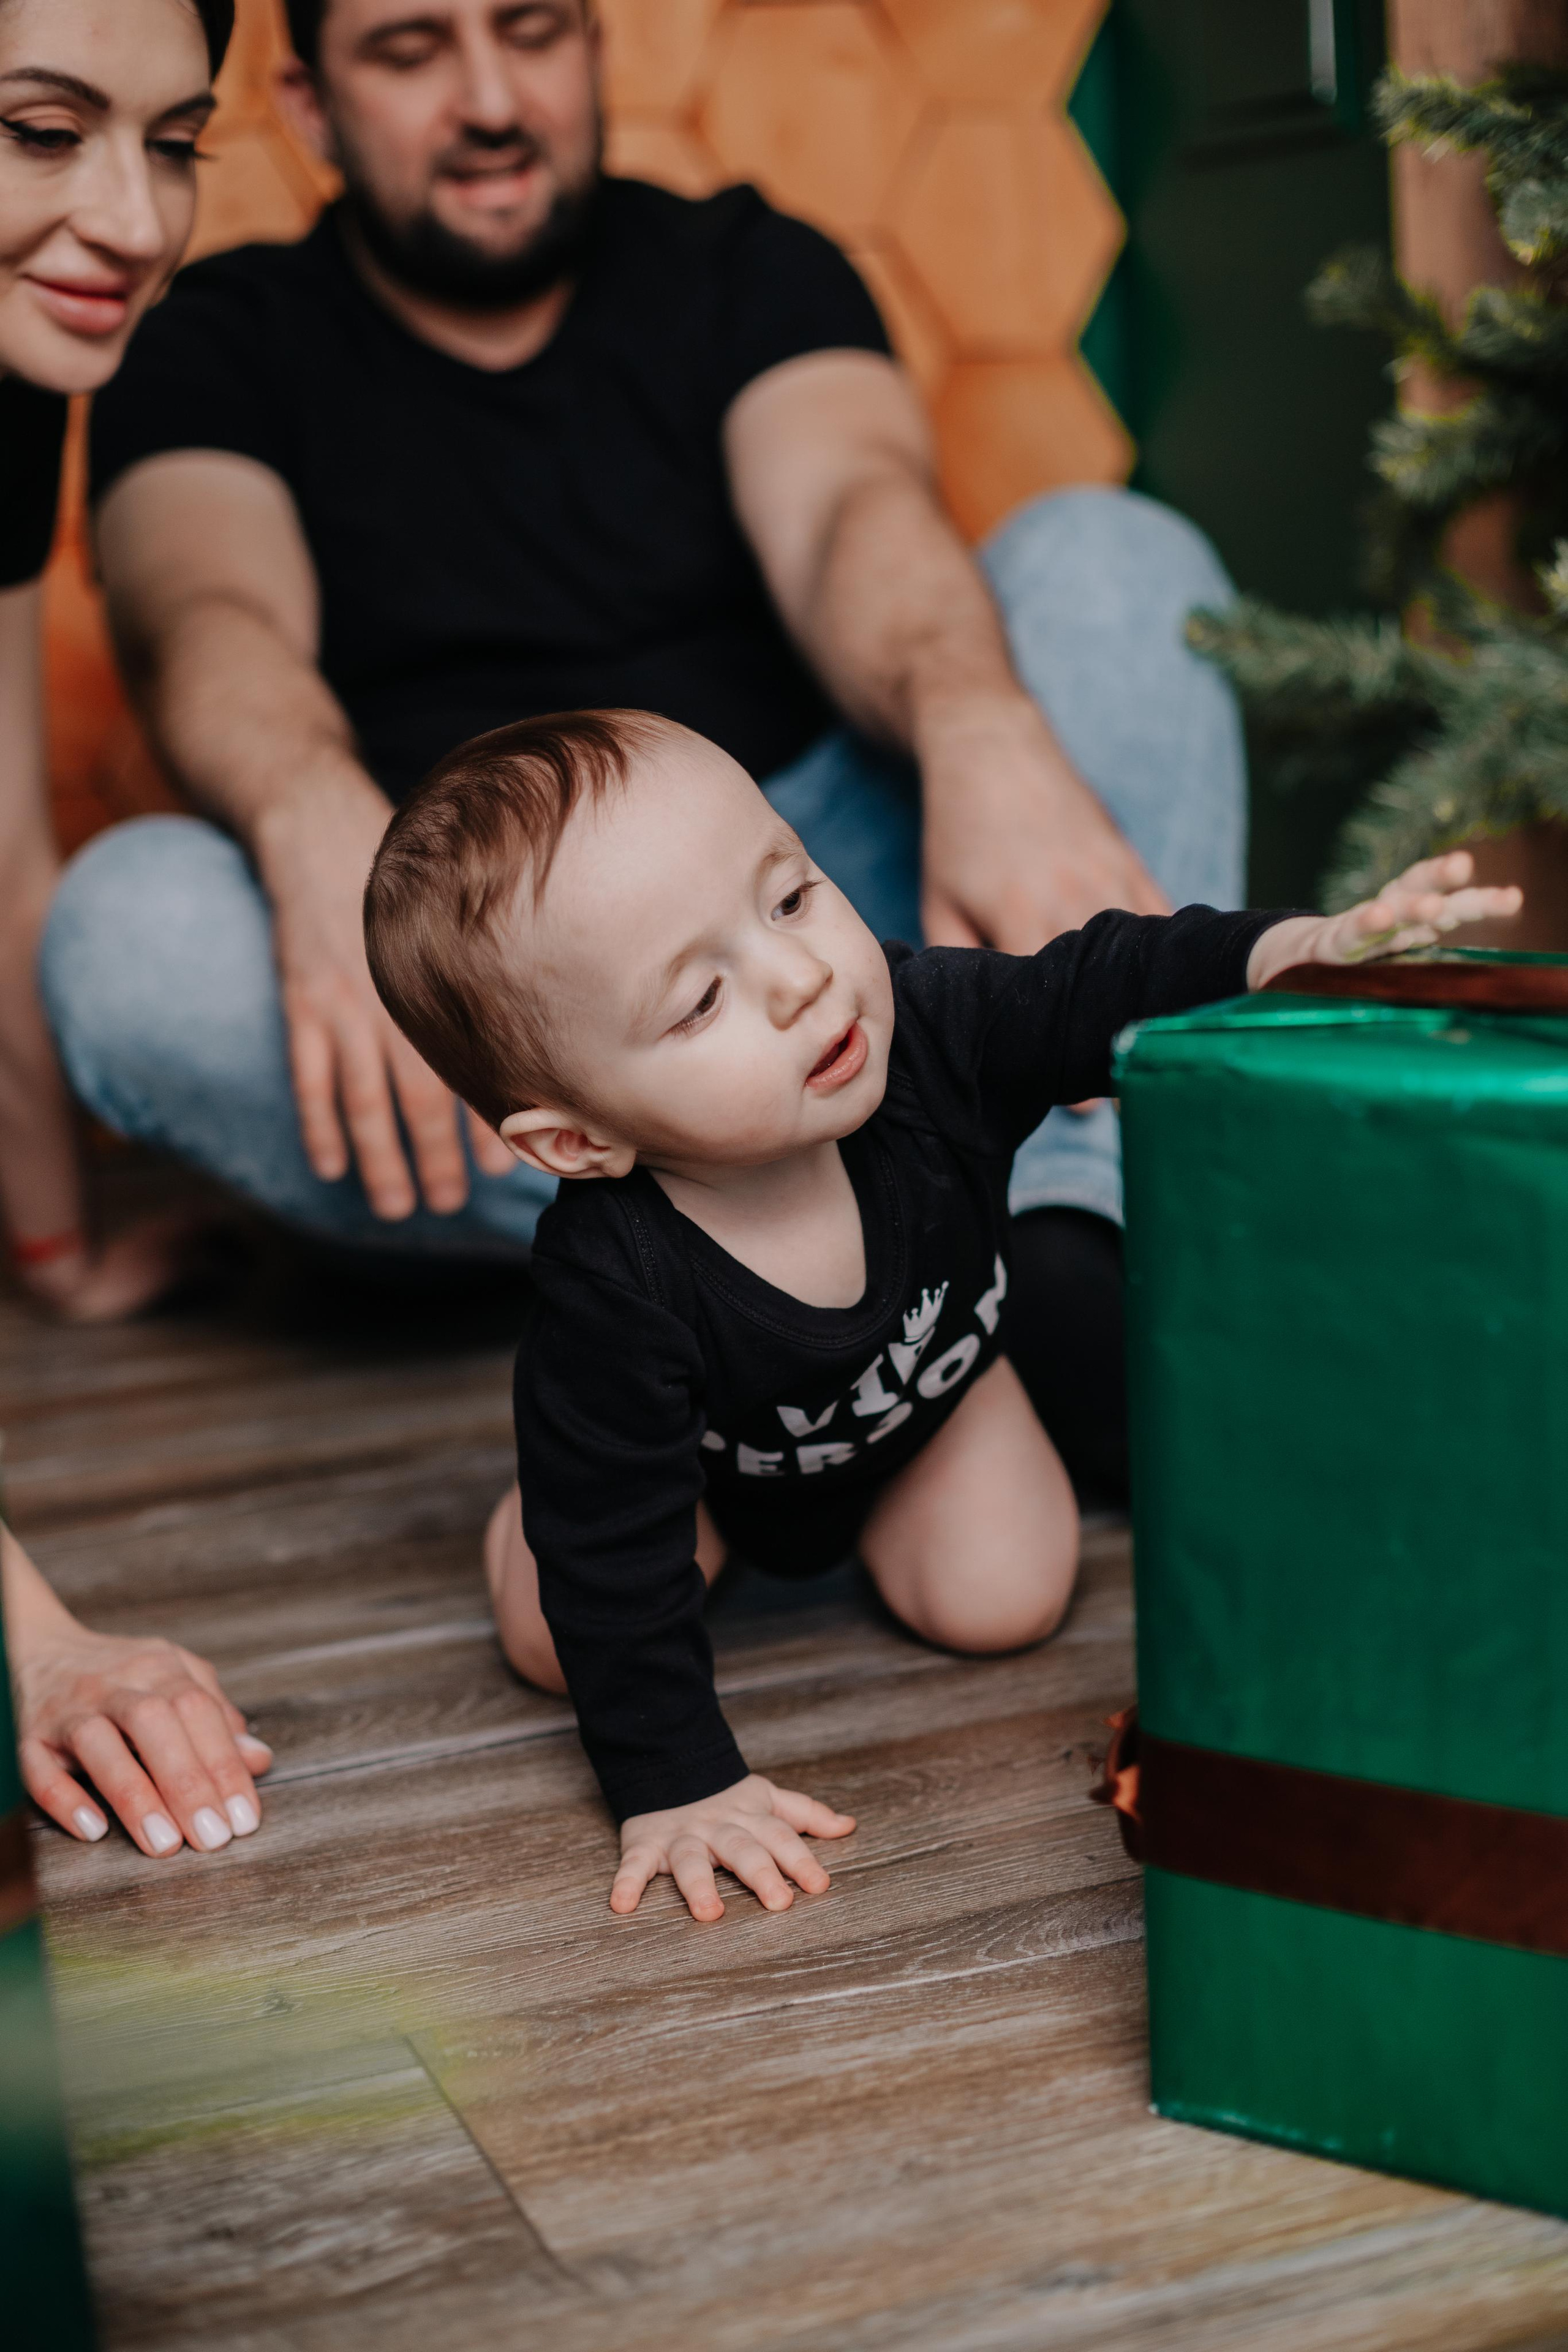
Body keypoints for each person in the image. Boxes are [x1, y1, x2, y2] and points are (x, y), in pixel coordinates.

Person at [42, 0, 1244, 1502]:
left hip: (824, 894)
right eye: (411, 52)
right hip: (521, 998)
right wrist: (307, 822)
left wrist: (975, 727)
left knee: (1113, 558)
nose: (490, 98)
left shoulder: (748, 265)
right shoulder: (216, 337)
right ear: (308, 101)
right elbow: (200, 615)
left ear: (594, 46)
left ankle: (1070, 1239)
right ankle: (693, 1269)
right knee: (122, 932)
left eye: (532, 31)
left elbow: (848, 511)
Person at [362, 709, 1520, 1922]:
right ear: (577, 1139)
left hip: (927, 1403)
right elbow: (610, 1579)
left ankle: (963, 1404)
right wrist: (678, 1785)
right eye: (700, 1001)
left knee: (1002, 1601)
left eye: (790, 896)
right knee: (561, 1628)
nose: (800, 978)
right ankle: (546, 1502)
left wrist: (1285, 949)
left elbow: (1093, 980)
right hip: (702, 1474)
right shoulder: (613, 1289)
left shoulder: (928, 1035)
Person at [0, 0, 270, 1858]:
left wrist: (48, 1243)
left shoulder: (19, 389)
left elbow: (2, 845)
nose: (134, 219)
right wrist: (27, 1644)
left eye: (174, 140)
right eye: (39, 129)